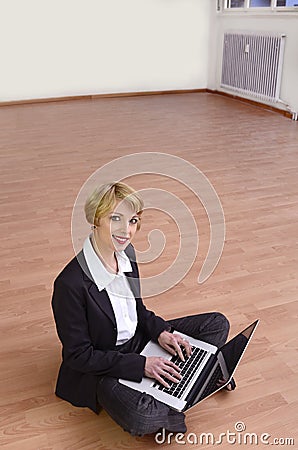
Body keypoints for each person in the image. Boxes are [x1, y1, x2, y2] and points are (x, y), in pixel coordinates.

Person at [51, 182, 230, 436]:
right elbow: (78, 356)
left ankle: (179, 388)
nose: (127, 231)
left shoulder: (127, 253)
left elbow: (138, 310)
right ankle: (189, 387)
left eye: (133, 221)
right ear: (95, 219)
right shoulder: (69, 284)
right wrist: (141, 366)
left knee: (217, 324)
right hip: (105, 367)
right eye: (116, 219)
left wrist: (161, 333)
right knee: (143, 417)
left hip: (139, 340)